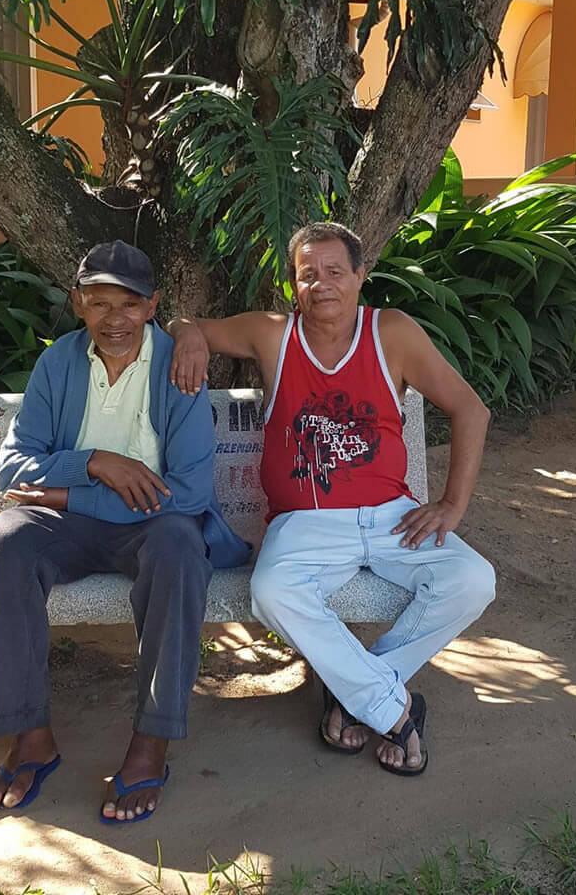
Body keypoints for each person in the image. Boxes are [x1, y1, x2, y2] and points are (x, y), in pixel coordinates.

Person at [168, 221, 495, 775]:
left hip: (392, 517)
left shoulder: (391, 332)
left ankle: (357, 693)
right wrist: (185, 332)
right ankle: (392, 708)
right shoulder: (273, 334)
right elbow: (185, 325)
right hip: (306, 522)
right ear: (293, 285)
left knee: (472, 580)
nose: (322, 284)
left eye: (336, 271)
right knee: (272, 592)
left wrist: (451, 505)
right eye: (308, 274)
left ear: (360, 276)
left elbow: (471, 410)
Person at [0, 240, 249, 822]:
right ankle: (30, 736)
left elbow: (189, 493)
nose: (114, 319)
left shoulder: (178, 365)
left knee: (180, 548)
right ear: (78, 303)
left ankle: (152, 741)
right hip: (67, 526)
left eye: (128, 304)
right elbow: (12, 470)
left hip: (152, 526)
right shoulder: (59, 363)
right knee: (3, 543)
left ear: (152, 306)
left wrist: (69, 492)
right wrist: (98, 463)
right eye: (99, 303)